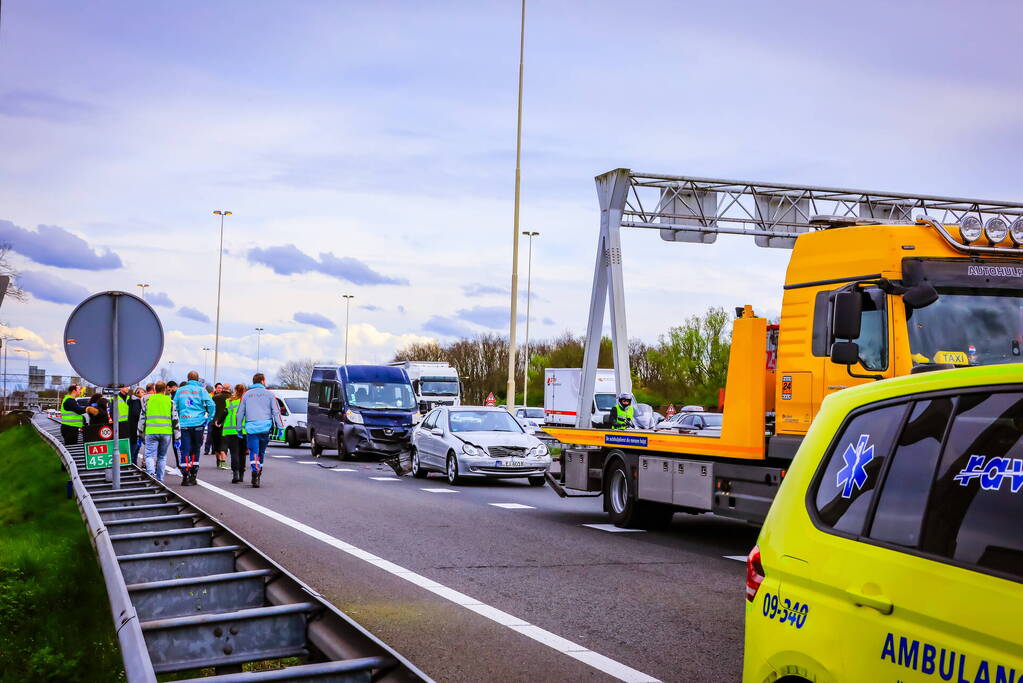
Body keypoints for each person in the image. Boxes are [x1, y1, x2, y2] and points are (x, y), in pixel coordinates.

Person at [236, 373, 282, 488]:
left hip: (251, 428)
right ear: (262, 381)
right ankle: (258, 472)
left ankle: (255, 472)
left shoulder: (246, 395)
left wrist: (239, 428)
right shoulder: (270, 394)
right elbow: (276, 412)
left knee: (253, 451)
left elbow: (240, 413)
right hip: (265, 427)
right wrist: (280, 427)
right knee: (261, 452)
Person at [173, 370, 215, 486]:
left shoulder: (180, 390)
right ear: (197, 379)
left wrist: (178, 417)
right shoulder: (201, 390)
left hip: (184, 423)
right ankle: (193, 475)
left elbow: (174, 406)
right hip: (198, 423)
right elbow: (211, 405)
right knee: (196, 449)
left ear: (188, 379)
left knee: (185, 449)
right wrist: (209, 417)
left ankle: (185, 476)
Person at [138, 381, 180, 483]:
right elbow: (175, 420)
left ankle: (151, 474)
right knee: (162, 456)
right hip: (166, 432)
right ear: (165, 389)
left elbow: (142, 418)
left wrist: (139, 434)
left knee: (149, 455)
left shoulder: (148, 401)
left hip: (151, 431)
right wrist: (177, 437)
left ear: (155, 390)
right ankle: (160, 479)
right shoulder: (170, 402)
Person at [223, 383, 248, 483]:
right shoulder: (246, 402)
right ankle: (241, 475)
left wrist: (218, 422)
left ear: (235, 390)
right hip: (244, 430)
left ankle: (235, 474)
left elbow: (225, 414)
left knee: (234, 453)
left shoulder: (229, 401)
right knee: (242, 453)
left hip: (231, 431)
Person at [209, 383, 231, 468]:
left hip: (215, 422)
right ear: (229, 388)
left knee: (216, 442)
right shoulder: (231, 398)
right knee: (224, 442)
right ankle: (223, 461)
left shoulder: (215, 397)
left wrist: (214, 419)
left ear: (223, 388)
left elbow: (210, 409)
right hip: (226, 423)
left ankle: (218, 460)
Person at [129, 387, 146, 466]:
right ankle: (133, 463)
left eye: (144, 392)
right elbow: (136, 414)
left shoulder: (137, 401)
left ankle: (133, 463)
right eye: (142, 392)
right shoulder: (136, 401)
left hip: (135, 427)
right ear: (137, 393)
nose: (144, 394)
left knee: (136, 446)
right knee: (135, 447)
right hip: (134, 427)